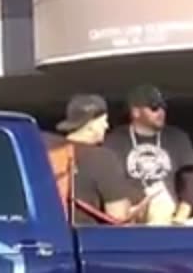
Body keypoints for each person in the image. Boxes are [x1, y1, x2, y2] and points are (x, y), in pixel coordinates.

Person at [102, 84, 193, 225]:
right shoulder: (115, 140)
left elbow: (190, 180)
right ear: (136, 112)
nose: (161, 112)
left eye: (163, 107)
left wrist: (180, 217)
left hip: (168, 216)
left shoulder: (178, 138)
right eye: (154, 108)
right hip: (129, 216)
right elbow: (108, 182)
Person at [51, 94, 146, 226]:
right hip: (84, 239)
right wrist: (138, 210)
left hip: (45, 234)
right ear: (91, 125)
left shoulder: (45, 149)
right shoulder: (102, 158)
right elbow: (118, 216)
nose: (107, 126)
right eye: (104, 121)